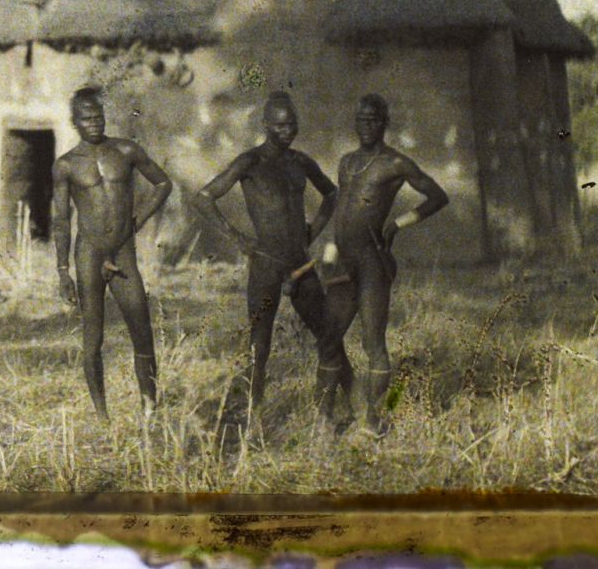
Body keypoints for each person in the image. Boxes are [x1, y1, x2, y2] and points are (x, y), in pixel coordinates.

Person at [190, 92, 355, 431]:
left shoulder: (301, 161)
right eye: (279, 125)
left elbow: (333, 194)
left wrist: (313, 231)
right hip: (265, 263)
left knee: (329, 333)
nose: (286, 131)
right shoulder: (249, 162)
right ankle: (256, 418)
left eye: (291, 124)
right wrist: (238, 238)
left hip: (300, 263)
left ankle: (352, 404)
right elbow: (204, 197)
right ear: (265, 125)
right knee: (259, 343)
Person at [311, 92, 449, 434]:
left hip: (372, 260)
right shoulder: (346, 162)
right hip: (342, 261)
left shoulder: (396, 163)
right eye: (361, 119)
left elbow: (438, 196)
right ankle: (323, 419)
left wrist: (398, 224)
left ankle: (373, 419)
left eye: (374, 120)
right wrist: (329, 251)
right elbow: (341, 212)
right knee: (329, 338)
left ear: (384, 123)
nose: (367, 126)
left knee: (373, 342)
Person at [52, 85, 173, 418]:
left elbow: (163, 183)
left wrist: (138, 220)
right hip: (89, 254)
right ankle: (102, 417)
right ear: (74, 122)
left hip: (123, 253)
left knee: (142, 331)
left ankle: (150, 410)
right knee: (93, 339)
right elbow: (61, 220)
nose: (94, 124)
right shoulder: (65, 165)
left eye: (98, 116)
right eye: (86, 119)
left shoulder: (126, 150)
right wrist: (62, 271)